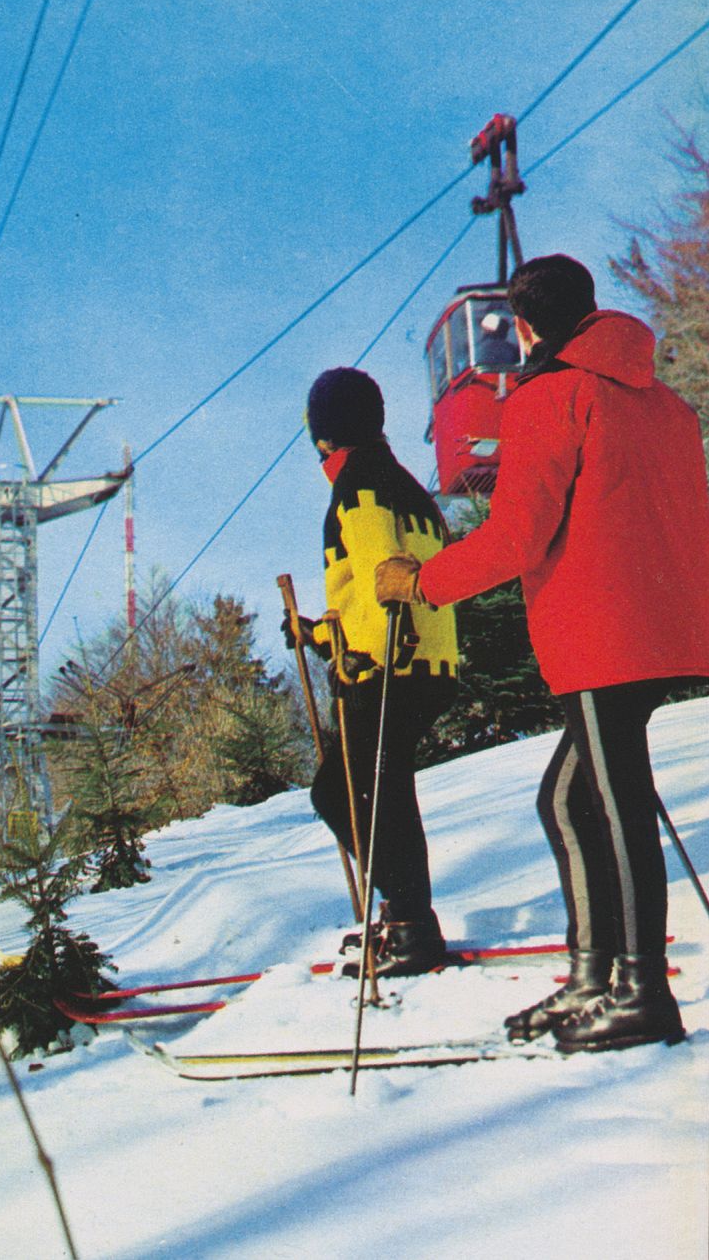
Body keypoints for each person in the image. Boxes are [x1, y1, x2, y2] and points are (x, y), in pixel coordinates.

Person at [376, 253, 709, 1052]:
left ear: (523, 327)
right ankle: (596, 977)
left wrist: (420, 583)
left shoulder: (547, 396)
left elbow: (517, 535)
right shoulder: (663, 402)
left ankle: (640, 992)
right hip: (665, 619)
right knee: (570, 798)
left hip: (600, 629)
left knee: (615, 799)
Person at [286, 367, 459, 976]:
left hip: (390, 662)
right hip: (423, 659)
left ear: (324, 436)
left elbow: (385, 576)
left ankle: (411, 923)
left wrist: (365, 652)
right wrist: (319, 633)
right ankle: (406, 917)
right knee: (380, 791)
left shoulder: (357, 486)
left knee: (344, 794)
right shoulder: (407, 484)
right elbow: (374, 590)